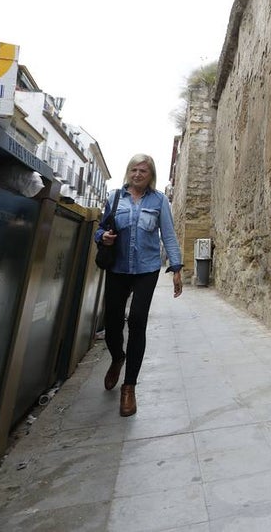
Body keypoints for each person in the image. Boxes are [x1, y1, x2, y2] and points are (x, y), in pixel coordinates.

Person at [95, 154, 183, 417]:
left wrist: (177, 268)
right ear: (128, 172)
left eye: (143, 170)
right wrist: (105, 237)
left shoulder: (159, 201)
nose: (138, 174)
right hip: (118, 269)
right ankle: (117, 357)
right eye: (134, 169)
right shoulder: (115, 198)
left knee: (137, 321)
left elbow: (167, 234)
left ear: (150, 174)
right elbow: (99, 229)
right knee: (112, 325)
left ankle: (129, 387)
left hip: (146, 268)